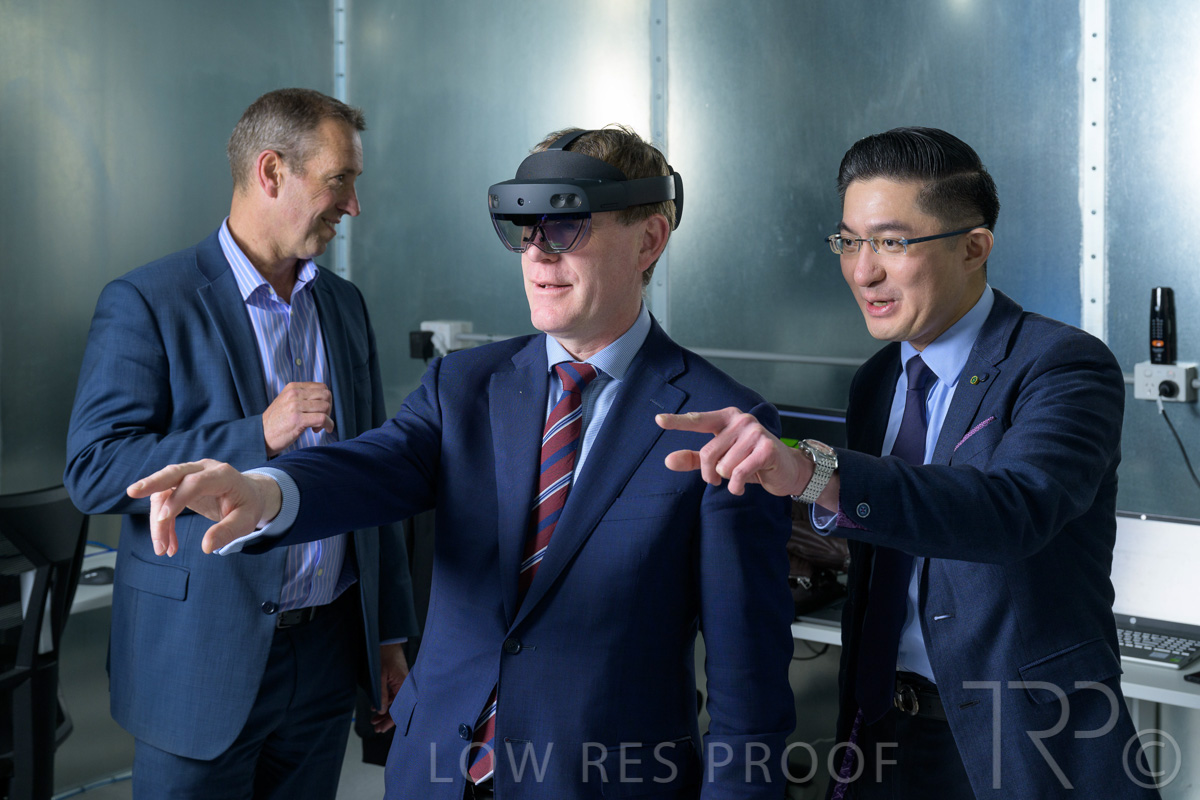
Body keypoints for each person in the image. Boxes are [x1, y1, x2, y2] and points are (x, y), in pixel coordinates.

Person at [127, 126, 796, 799]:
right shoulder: (465, 385)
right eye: (524, 229)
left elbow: (750, 689)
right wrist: (265, 491)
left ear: (649, 239)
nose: (538, 253)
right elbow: (374, 466)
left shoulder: (726, 424)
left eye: (566, 227)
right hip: (436, 773)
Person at [657, 127, 1160, 798]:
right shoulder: (878, 380)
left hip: (1026, 740)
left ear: (973, 247)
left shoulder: (1061, 366)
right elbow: (890, 538)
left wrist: (813, 472)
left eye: (891, 243)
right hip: (882, 729)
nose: (863, 272)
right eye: (849, 242)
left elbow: (1011, 511)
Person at [64, 88, 418, 798]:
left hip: (327, 654)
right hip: (198, 662)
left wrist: (388, 634)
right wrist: (256, 435)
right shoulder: (148, 301)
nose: (354, 206)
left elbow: (374, 474)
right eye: (340, 180)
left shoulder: (344, 305)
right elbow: (95, 468)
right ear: (271, 172)